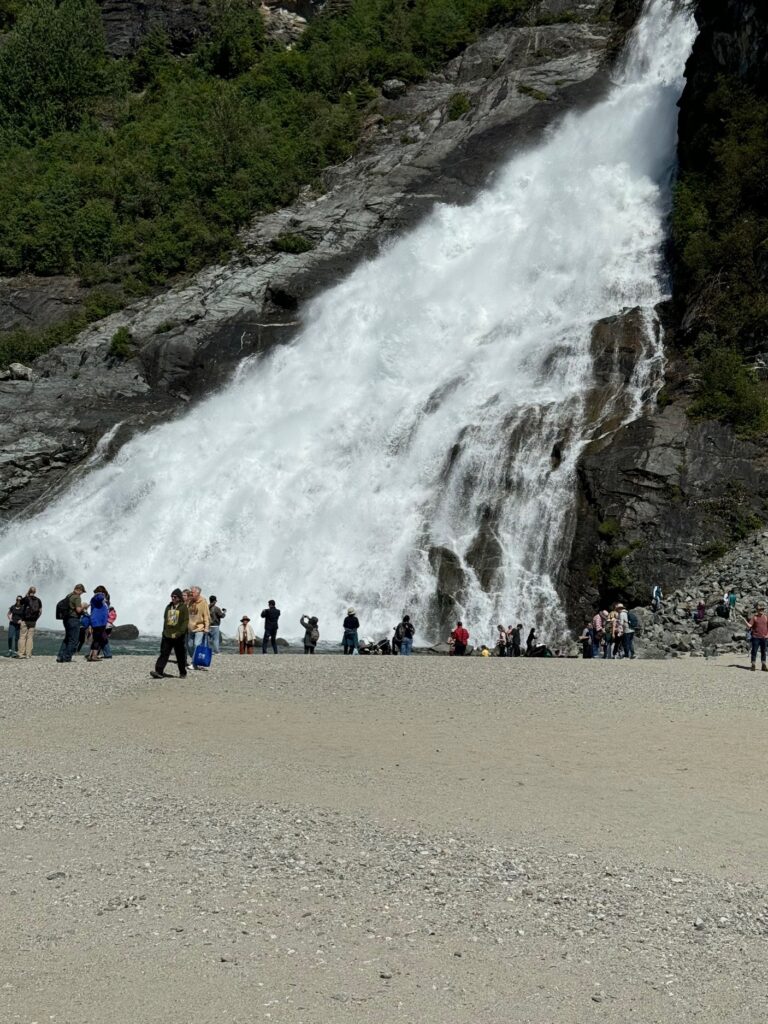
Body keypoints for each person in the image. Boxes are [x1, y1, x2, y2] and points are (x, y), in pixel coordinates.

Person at [150, 589, 189, 679]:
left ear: (179, 598)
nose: (173, 598)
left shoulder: (183, 608)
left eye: (175, 597)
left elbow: (185, 621)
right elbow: (165, 619)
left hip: (178, 636)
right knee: (164, 653)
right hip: (167, 635)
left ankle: (183, 672)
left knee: (180, 655)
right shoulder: (168, 607)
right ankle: (158, 671)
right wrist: (164, 632)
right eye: (172, 596)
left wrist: (180, 632)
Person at [56, 584, 86, 663]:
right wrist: (84, 606)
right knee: (74, 640)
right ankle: (67, 657)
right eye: (82, 592)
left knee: (67, 638)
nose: (81, 593)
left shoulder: (69, 595)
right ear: (79, 590)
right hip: (74, 619)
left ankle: (60, 656)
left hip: (66, 619)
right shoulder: (77, 597)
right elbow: (78, 610)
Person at [187, 586, 210, 666]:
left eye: (192, 592)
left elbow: (206, 615)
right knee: (189, 646)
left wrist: (206, 627)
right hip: (190, 628)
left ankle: (194, 663)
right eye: (190, 592)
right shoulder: (190, 601)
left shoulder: (203, 602)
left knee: (196, 645)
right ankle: (195, 658)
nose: (190, 593)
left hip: (199, 628)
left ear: (198, 593)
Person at [18, 587, 42, 659]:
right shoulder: (38, 600)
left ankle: (21, 654)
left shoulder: (26, 598)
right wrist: (36, 619)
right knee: (30, 638)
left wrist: (26, 595)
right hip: (33, 621)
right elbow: (40, 611)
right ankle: (28, 654)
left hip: (25, 620)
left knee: (22, 637)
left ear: (29, 591)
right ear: (35, 592)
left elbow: (19, 603)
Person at [87, 589, 110, 662]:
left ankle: (92, 655)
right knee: (98, 639)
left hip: (100, 622)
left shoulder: (99, 602)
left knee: (96, 639)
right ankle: (94, 656)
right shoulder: (97, 598)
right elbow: (99, 597)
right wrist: (101, 594)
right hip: (98, 622)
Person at [747, 602, 768, 672]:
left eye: (762, 609)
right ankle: (753, 665)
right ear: (757, 610)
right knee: (754, 651)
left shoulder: (766, 617)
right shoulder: (754, 617)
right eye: (760, 609)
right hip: (755, 637)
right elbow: (749, 626)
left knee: (763, 652)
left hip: (764, 637)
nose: (761, 611)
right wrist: (743, 620)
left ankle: (764, 665)